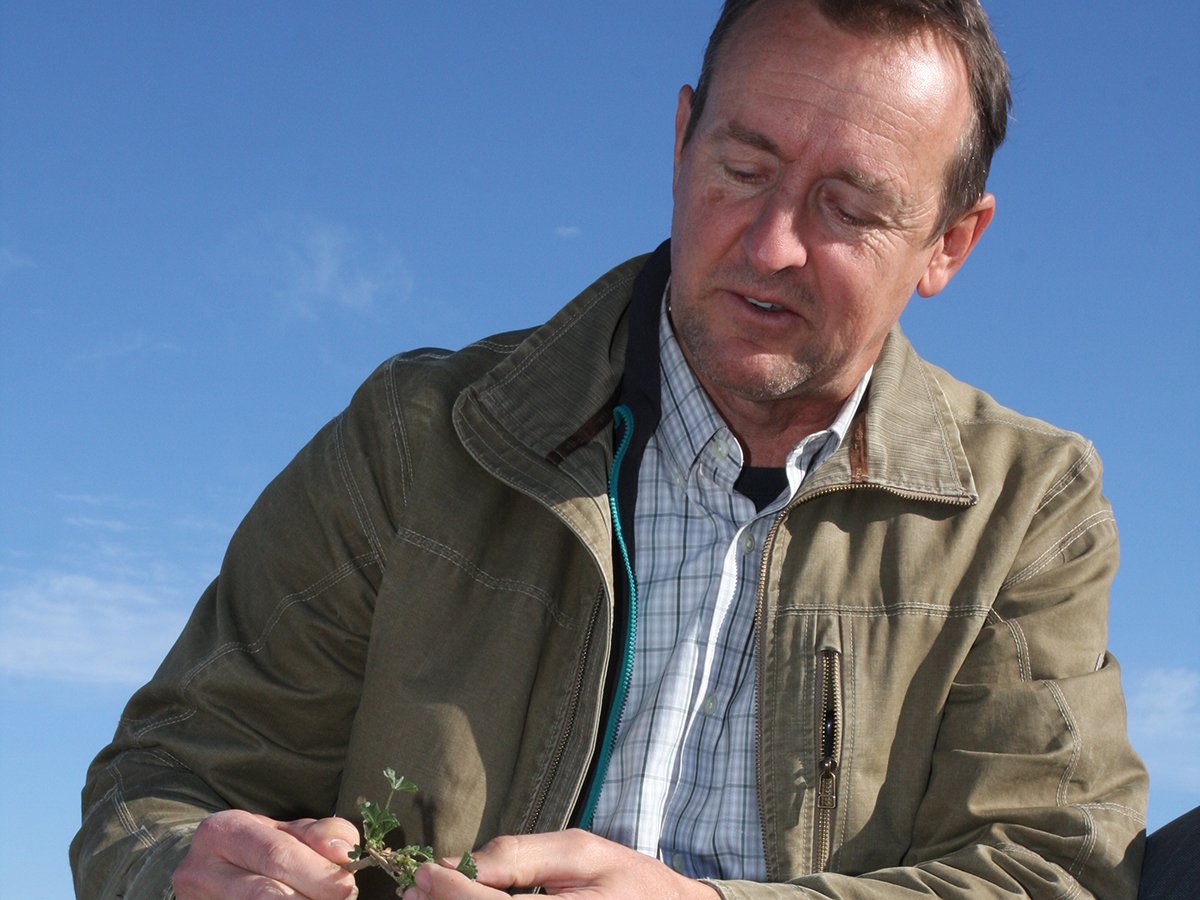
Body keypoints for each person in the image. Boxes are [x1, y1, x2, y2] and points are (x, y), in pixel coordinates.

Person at [71, 1, 1150, 898]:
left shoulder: (1026, 507)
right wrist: (180, 868)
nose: (772, 243)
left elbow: (1056, 867)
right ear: (679, 140)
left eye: (848, 207)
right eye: (741, 166)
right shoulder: (414, 439)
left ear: (950, 244)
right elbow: (161, 781)